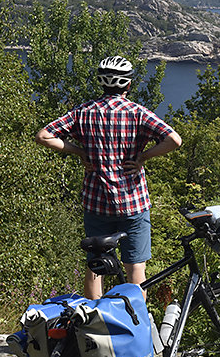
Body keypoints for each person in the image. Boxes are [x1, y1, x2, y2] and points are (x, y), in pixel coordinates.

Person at [36, 55, 181, 299]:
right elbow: (173, 140)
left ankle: (93, 325)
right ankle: (134, 328)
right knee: (135, 267)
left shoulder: (83, 113)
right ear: (128, 84)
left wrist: (79, 151)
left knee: (95, 267)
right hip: (133, 203)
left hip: (97, 203)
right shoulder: (138, 113)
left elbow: (44, 136)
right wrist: (143, 157)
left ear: (101, 83)